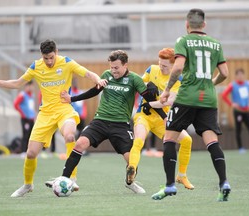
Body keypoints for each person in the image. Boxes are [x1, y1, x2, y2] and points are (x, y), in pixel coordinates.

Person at [0, 39, 107, 197]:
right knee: (30, 153)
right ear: (41, 56)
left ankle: (72, 178)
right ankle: (27, 185)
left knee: (70, 135)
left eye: (51, 57)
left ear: (56, 52)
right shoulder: (36, 66)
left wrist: (98, 80)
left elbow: (88, 73)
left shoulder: (67, 62)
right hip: (45, 114)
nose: (49, 61)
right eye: (45, 58)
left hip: (64, 110)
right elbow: (18, 83)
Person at [45, 50, 167, 194]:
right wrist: (72, 98)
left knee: (131, 159)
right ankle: (64, 178)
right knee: (79, 144)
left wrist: (164, 117)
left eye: (116, 67)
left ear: (125, 65)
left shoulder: (134, 79)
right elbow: (94, 91)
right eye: (111, 67)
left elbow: (150, 99)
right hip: (100, 121)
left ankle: (130, 182)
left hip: (121, 124)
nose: (113, 71)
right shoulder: (106, 75)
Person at [151, 8, 231, 201]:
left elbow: (178, 67)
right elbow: (225, 73)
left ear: (187, 25)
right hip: (208, 99)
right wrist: (210, 83)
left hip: (186, 98)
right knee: (212, 142)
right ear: (204, 24)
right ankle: (224, 183)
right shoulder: (215, 44)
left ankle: (170, 185)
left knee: (169, 139)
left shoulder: (183, 41)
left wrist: (168, 89)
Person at [126, 48, 194, 190]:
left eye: (165, 66)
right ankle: (131, 169)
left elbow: (169, 102)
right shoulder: (152, 69)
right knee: (138, 140)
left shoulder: (178, 79)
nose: (161, 67)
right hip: (144, 115)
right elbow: (139, 86)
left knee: (187, 140)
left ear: (173, 66)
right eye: (160, 63)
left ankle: (182, 175)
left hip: (162, 120)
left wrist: (150, 104)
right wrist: (146, 86)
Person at [222, 68, 249, 153]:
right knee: (238, 129)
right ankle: (240, 148)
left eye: (241, 74)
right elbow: (224, 95)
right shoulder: (233, 85)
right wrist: (231, 104)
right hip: (238, 112)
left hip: (246, 111)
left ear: (244, 75)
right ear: (236, 76)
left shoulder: (248, 84)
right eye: (238, 74)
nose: (240, 76)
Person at [13, 81, 36, 155]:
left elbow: (31, 107)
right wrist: (23, 114)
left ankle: (30, 151)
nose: (31, 88)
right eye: (30, 86)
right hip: (25, 119)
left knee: (31, 136)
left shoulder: (32, 95)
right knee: (25, 135)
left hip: (31, 118)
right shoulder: (22, 95)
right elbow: (16, 104)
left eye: (32, 86)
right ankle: (23, 151)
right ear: (26, 86)